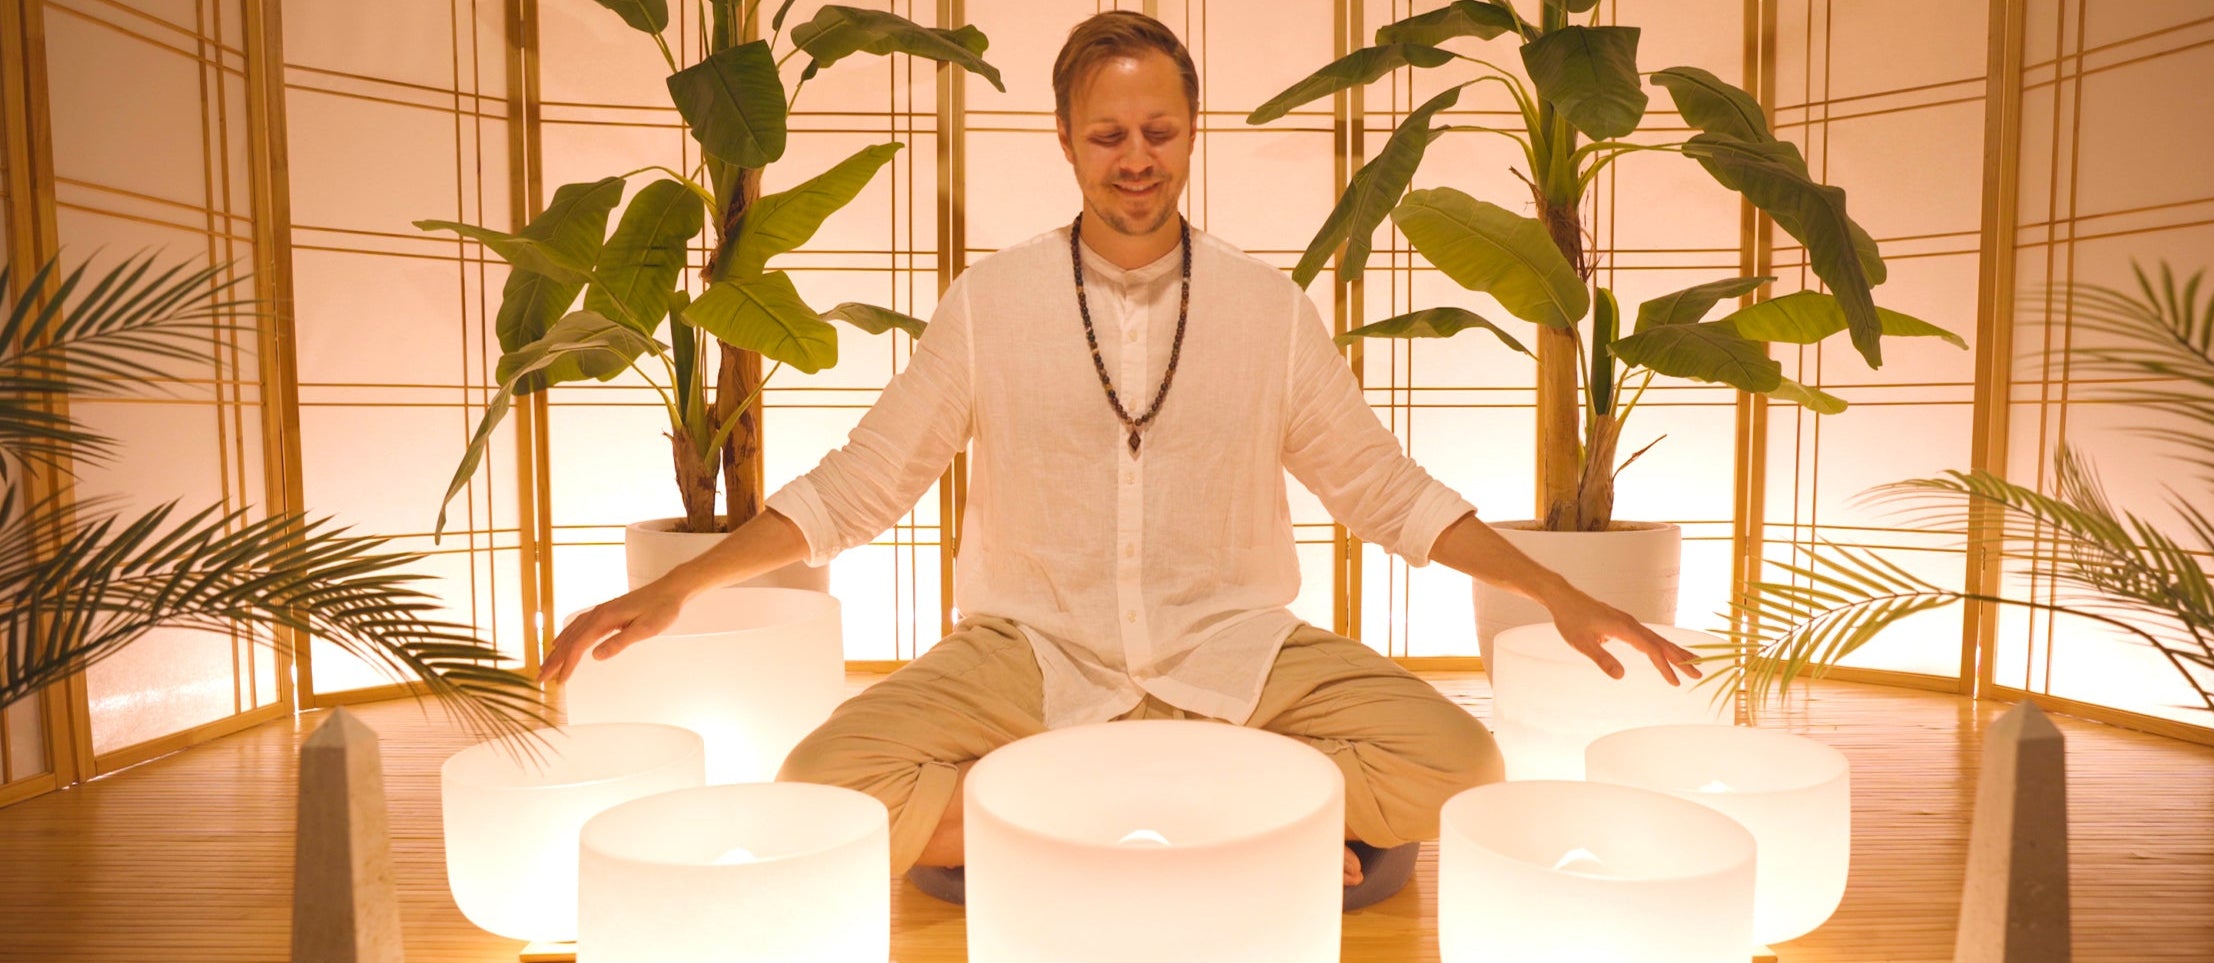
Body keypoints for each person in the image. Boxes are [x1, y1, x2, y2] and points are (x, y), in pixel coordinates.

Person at [542, 10, 1698, 900]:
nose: (1135, 158)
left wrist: (1556, 596)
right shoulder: (990, 303)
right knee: (818, 789)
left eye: (1159, 132)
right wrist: (675, 587)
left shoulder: (1266, 306)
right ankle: (1239, 827)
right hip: (1028, 652)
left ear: (1190, 133)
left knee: (1462, 767)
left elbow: (1383, 489)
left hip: (1235, 649)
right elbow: (862, 481)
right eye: (1108, 135)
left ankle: (1072, 822)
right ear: (1064, 140)